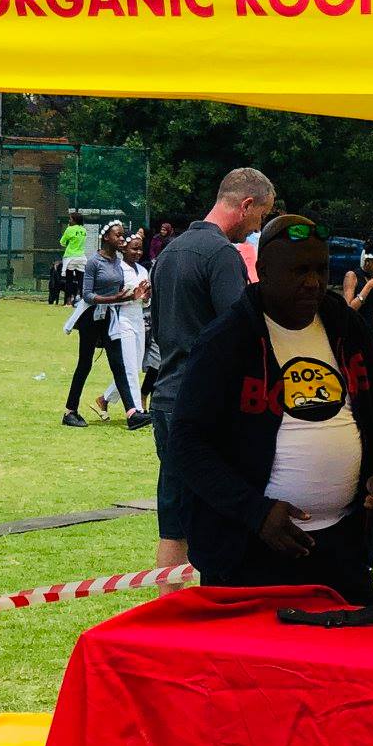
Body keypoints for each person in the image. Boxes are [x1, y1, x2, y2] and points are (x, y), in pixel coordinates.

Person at [167, 214, 373, 602]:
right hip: (249, 552)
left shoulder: (345, 326)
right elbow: (187, 443)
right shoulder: (227, 339)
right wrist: (255, 512)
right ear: (263, 272)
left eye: (320, 269)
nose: (313, 282)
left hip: (343, 549)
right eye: (298, 270)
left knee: (351, 641)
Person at [147, 166, 275, 577]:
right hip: (207, 406)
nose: (257, 228)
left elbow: (159, 329)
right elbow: (238, 332)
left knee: (173, 516)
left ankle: (170, 605)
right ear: (246, 205)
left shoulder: (169, 252)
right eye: (260, 217)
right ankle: (214, 603)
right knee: (218, 512)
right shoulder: (222, 255)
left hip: (167, 397)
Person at [64, 221, 149, 431]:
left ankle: (132, 414)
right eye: (117, 235)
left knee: (118, 364)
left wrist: (135, 295)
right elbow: (87, 295)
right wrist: (115, 299)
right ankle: (69, 411)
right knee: (85, 363)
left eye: (122, 235)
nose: (121, 238)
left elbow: (120, 292)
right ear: (106, 238)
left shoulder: (117, 262)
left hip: (109, 317)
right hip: (90, 317)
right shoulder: (94, 262)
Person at [95, 230, 152, 420]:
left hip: (138, 319)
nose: (138, 253)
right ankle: (136, 410)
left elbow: (144, 302)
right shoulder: (117, 269)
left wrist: (146, 297)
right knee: (129, 367)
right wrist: (132, 296)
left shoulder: (142, 270)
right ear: (124, 249)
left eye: (140, 249)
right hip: (121, 320)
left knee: (134, 367)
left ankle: (105, 398)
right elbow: (113, 297)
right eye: (134, 249)